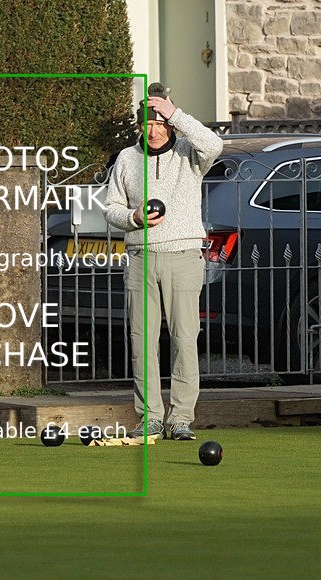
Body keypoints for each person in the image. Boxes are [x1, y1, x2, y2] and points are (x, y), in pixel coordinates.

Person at [102, 83, 223, 441]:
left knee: (185, 338)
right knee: (142, 340)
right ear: (140, 126)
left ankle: (181, 417)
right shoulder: (126, 159)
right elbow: (111, 208)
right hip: (140, 257)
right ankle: (150, 417)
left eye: (160, 123)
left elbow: (214, 144)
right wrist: (134, 217)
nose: (153, 131)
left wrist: (177, 114)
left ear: (169, 125)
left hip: (183, 256)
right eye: (148, 124)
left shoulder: (189, 153)